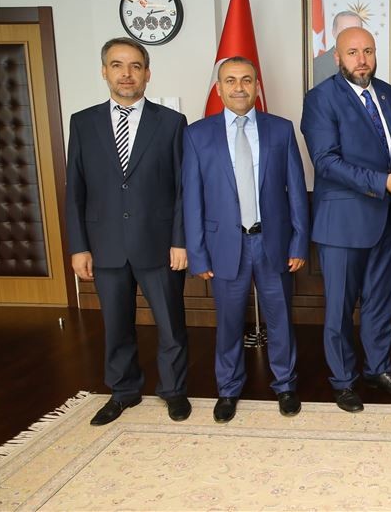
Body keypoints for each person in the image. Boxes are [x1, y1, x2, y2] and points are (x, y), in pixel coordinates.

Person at [66, 37, 190, 426]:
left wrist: (180, 240)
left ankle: (173, 390)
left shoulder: (171, 123)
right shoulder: (82, 123)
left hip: (159, 244)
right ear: (104, 71)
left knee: (170, 325)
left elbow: (183, 189)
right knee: (116, 325)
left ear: (147, 74)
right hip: (105, 245)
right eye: (117, 65)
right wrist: (78, 247)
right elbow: (75, 190)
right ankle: (123, 391)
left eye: (135, 66)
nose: (126, 74)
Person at [182, 56, 310, 423]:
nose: (239, 87)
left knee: (280, 319)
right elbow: (192, 198)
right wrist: (198, 255)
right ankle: (228, 389)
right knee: (228, 322)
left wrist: (299, 242)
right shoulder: (197, 134)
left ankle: (285, 384)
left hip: (273, 243)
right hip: (225, 246)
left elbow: (296, 191)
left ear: (257, 85)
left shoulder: (280, 130)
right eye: (230, 80)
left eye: (246, 80)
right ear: (219, 88)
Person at [301, 27, 391, 413]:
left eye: (368, 51)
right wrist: (383, 182)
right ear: (337, 57)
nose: (362, 59)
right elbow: (326, 161)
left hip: (384, 217)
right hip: (342, 223)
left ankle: (378, 369)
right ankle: (342, 381)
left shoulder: (387, 93)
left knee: (380, 302)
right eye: (353, 52)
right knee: (339, 308)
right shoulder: (320, 99)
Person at [312, 11, 364, 87]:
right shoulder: (318, 65)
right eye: (345, 30)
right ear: (334, 33)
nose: (351, 34)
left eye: (356, 30)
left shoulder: (367, 61)